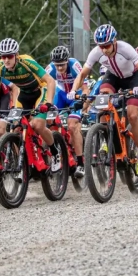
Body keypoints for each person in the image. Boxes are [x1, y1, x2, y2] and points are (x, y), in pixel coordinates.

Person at [69, 24, 138, 176]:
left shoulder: (125, 48)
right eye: (101, 46)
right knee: (102, 100)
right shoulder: (96, 52)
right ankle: (104, 137)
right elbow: (82, 75)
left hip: (131, 79)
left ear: (114, 41)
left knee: (133, 115)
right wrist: (74, 90)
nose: (104, 50)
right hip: (113, 77)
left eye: (107, 45)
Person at [0, 38, 61, 172]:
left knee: (38, 125)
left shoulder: (27, 62)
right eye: (3, 56)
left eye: (9, 56)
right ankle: (25, 161)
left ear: (16, 55)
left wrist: (49, 103)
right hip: (23, 94)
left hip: (40, 91)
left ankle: (55, 152)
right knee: (16, 128)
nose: (6, 60)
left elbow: (50, 81)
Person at [46, 45, 85, 178]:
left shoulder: (74, 65)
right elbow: (43, 85)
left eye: (62, 65)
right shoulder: (51, 68)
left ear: (67, 60)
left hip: (75, 95)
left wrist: (84, 103)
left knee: (72, 125)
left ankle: (80, 163)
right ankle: (58, 150)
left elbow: (84, 86)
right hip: (61, 95)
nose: (60, 68)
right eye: (57, 65)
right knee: (49, 119)